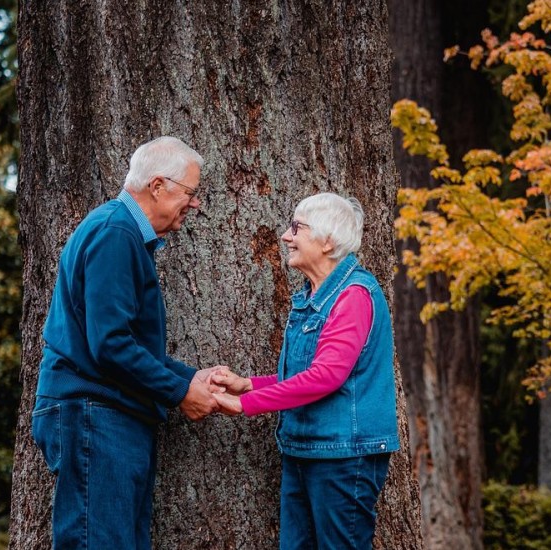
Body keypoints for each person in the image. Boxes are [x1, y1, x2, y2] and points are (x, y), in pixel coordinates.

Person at [31, 136, 223, 549]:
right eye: (191, 193)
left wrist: (194, 378)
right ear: (158, 186)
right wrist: (180, 392)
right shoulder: (115, 232)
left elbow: (125, 342)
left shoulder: (122, 233)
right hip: (95, 414)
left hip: (108, 414)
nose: (194, 204)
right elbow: (111, 346)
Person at [212, 192, 399, 549]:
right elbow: (308, 374)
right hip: (307, 450)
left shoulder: (353, 296)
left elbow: (327, 377)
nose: (286, 236)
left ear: (327, 242)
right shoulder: (315, 296)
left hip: (343, 457)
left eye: (297, 227)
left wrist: (245, 405)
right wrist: (247, 385)